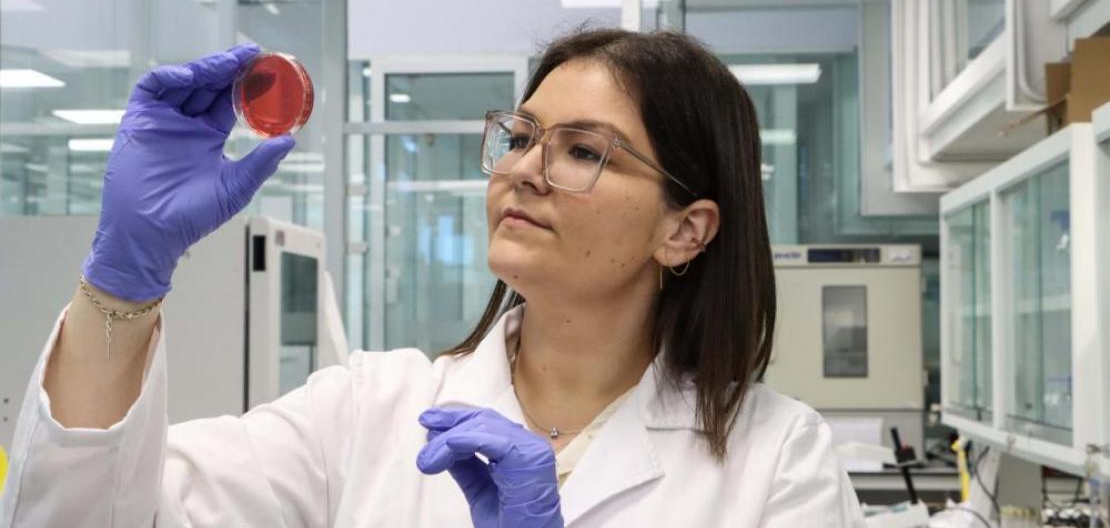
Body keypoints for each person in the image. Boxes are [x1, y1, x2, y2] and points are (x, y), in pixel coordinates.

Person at [0, 29, 864, 527]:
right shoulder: (368, 412)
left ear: (686, 230)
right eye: (521, 136)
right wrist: (124, 279)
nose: (524, 169)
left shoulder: (775, 461)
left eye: (583, 152)